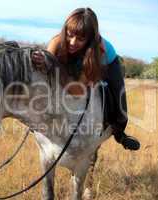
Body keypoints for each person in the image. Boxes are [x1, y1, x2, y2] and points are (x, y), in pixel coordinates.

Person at [32, 7, 140, 150]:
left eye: (81, 39)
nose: (72, 42)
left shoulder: (98, 53)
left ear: (89, 40)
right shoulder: (56, 41)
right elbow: (46, 73)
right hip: (72, 64)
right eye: (69, 35)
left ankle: (120, 134)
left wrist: (54, 68)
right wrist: (42, 62)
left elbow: (77, 90)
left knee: (118, 95)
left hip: (108, 61)